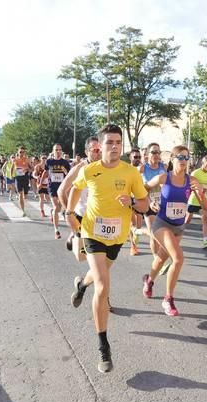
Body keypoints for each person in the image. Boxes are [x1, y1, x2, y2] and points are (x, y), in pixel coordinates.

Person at [65, 124, 149, 373]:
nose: (114, 146)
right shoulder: (90, 170)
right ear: (99, 146)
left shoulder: (131, 173)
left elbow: (144, 205)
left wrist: (132, 201)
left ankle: (81, 285)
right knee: (103, 285)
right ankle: (103, 346)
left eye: (118, 142)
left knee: (97, 276)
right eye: (109, 142)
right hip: (92, 232)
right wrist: (70, 213)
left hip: (117, 236)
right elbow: (75, 189)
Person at [141, 145, 206, 316]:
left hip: (178, 227)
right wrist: (150, 202)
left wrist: (199, 193)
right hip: (161, 224)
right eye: (180, 157)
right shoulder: (163, 177)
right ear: (172, 159)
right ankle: (168, 299)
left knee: (161, 259)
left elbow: (205, 207)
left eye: (187, 157)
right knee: (178, 258)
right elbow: (144, 189)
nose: (184, 161)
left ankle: (149, 280)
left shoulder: (192, 181)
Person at [60, 136, 101, 250]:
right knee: (86, 254)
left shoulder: (104, 167)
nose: (99, 153)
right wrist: (69, 214)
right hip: (83, 216)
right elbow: (61, 191)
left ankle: (74, 236)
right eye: (95, 150)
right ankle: (74, 235)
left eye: (100, 150)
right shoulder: (79, 169)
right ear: (86, 152)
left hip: (99, 217)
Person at [139, 143, 167, 262]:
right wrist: (150, 202)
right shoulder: (143, 168)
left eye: (158, 152)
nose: (156, 155)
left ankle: (160, 255)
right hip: (148, 202)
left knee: (163, 232)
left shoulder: (163, 167)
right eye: (153, 152)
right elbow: (141, 187)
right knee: (153, 232)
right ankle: (156, 259)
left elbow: (166, 185)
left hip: (162, 203)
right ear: (148, 154)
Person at [185, 156, 207, 248]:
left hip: (203, 201)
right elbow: (190, 185)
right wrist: (198, 190)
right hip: (194, 200)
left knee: (205, 219)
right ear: (203, 163)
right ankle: (175, 234)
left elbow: (206, 186)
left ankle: (205, 240)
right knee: (187, 220)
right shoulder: (195, 173)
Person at [45, 144, 72, 239]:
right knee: (57, 207)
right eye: (56, 150)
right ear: (53, 151)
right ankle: (56, 231)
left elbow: (69, 175)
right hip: (52, 186)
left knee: (59, 209)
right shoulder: (49, 161)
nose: (58, 151)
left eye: (60, 150)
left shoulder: (65, 162)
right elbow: (46, 173)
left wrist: (65, 172)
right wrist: (40, 182)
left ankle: (53, 212)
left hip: (62, 187)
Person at [13, 147, 33, 216]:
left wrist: (27, 169)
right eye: (20, 152)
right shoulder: (15, 160)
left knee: (25, 196)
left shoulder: (27, 160)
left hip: (25, 178)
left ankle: (24, 204)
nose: (21, 153)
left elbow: (31, 169)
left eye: (23, 152)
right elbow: (12, 169)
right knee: (20, 195)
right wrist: (12, 176)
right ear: (18, 152)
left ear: (24, 153)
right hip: (18, 179)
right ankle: (23, 211)